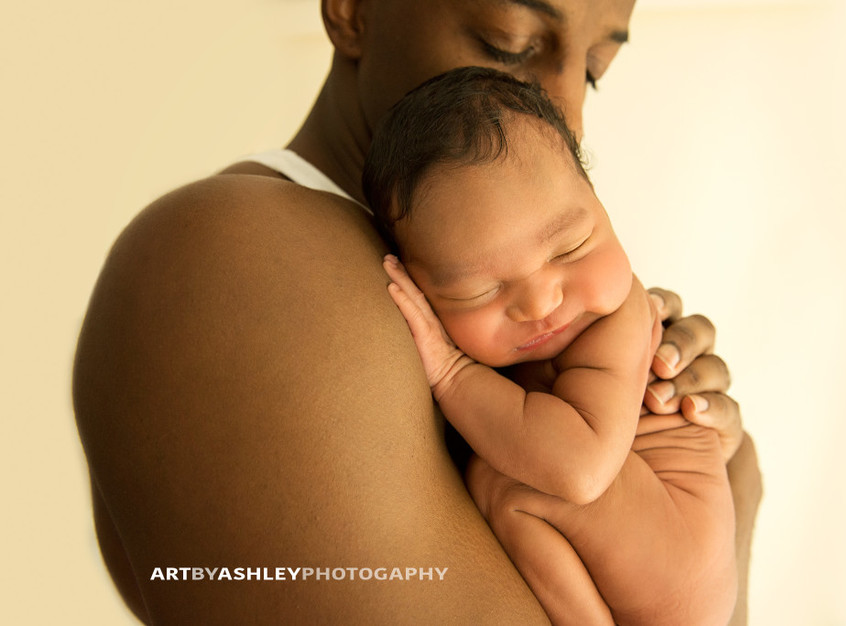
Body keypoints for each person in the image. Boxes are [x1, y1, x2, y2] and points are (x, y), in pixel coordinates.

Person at [72, 1, 761, 623]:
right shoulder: (234, 253)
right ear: (352, 10)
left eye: (595, 70)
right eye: (510, 44)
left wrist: (716, 477)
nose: (568, 116)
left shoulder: (530, 303)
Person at [369, 66, 736, 624]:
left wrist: (449, 374)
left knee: (503, 481)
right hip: (656, 558)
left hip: (676, 547)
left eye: (570, 247)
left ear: (601, 206)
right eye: (480, 290)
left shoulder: (621, 316)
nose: (540, 303)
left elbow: (580, 470)